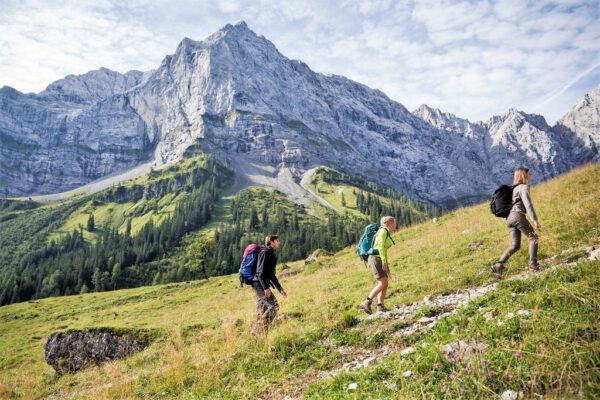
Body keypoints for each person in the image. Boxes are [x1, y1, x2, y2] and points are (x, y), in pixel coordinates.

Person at [492, 167, 541, 279]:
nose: (530, 176)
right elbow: (528, 204)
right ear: (524, 175)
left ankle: (498, 265)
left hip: (509, 218)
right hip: (517, 215)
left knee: (515, 245)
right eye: (529, 174)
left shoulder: (513, 189)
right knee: (533, 238)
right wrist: (535, 220)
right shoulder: (523, 187)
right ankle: (533, 264)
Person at [359, 216, 397, 314]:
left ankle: (380, 306)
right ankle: (366, 302)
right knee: (382, 283)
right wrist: (384, 261)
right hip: (376, 259)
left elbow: (383, 249)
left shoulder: (383, 231)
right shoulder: (383, 231)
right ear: (388, 223)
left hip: (378, 258)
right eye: (394, 223)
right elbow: (380, 246)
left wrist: (385, 262)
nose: (395, 225)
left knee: (385, 283)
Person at [252, 235, 287, 334]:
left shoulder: (271, 254)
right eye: (277, 240)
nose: (279, 242)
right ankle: (257, 330)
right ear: (271, 241)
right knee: (274, 306)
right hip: (258, 283)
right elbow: (259, 272)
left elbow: (271, 275)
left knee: (262, 310)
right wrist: (265, 288)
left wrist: (280, 290)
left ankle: (262, 335)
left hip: (261, 283)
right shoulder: (265, 252)